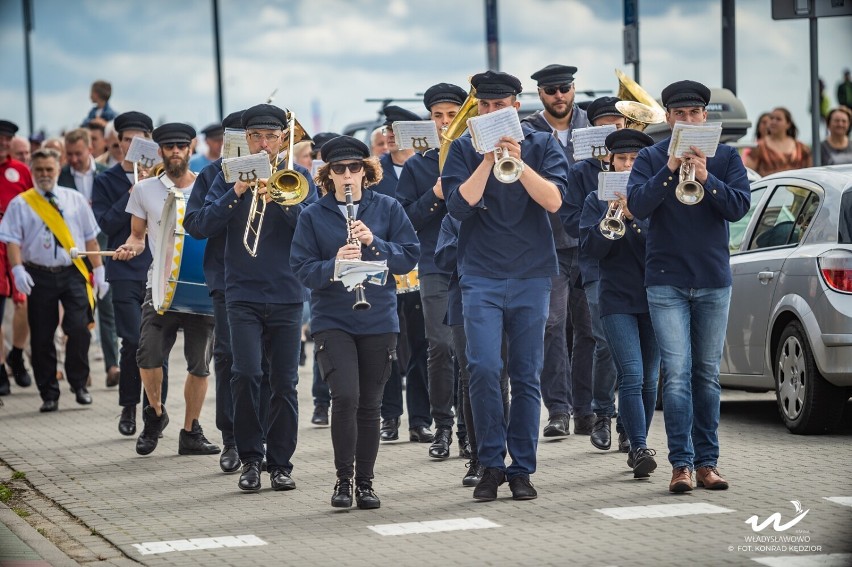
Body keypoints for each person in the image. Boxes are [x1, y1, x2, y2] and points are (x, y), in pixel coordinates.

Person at [443, 70, 569, 501]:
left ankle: (522, 468)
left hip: (532, 274)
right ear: (477, 109)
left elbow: (554, 200)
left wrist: (518, 161)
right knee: (481, 368)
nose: (493, 113)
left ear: (517, 106)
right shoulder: (461, 147)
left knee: (526, 374)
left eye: (501, 107)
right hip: (480, 274)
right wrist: (486, 160)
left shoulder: (543, 143)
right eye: (486, 107)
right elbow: (458, 207)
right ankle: (490, 464)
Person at [627, 80, 750, 493]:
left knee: (706, 376)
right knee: (676, 376)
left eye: (694, 112)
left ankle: (707, 463)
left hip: (713, 279)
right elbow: (638, 205)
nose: (687, 119)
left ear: (704, 116)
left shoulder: (727, 157)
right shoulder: (648, 157)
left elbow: (738, 207)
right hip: (666, 281)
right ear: (668, 118)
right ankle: (680, 465)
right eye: (678, 114)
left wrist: (705, 176)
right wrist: (669, 170)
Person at [291, 135, 419, 509]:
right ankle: (342, 480)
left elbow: (409, 257)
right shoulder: (313, 214)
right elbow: (300, 268)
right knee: (345, 397)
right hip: (334, 319)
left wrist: (374, 242)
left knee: (370, 404)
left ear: (366, 170)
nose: (348, 175)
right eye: (339, 170)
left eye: (354, 167)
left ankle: (365, 482)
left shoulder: (389, 207)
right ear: (328, 175)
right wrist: (335, 263)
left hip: (379, 317)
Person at [194, 103, 316, 493]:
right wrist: (238, 191)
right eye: (256, 137)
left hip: (286, 293)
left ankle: (280, 463)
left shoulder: (298, 178)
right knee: (245, 374)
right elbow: (198, 225)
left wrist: (283, 199)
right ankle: (250, 457)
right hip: (241, 293)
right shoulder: (223, 175)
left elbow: (313, 232)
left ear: (283, 138)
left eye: (271, 136)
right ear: (244, 139)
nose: (264, 144)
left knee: (284, 382)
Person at [111, 122, 219, 458]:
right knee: (147, 355)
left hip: (201, 288)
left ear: (191, 147)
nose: (175, 152)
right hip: (159, 287)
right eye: (169, 147)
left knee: (199, 365)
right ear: (159, 150)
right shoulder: (144, 190)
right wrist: (131, 246)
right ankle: (155, 414)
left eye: (181, 146)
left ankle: (191, 431)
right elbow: (137, 236)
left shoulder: (207, 185)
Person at [184, 109, 267, 474]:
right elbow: (196, 226)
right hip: (228, 281)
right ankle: (232, 438)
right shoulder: (212, 175)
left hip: (274, 284)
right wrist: (235, 191)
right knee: (232, 360)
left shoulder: (283, 172)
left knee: (268, 366)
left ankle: (266, 439)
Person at [0, 148, 108, 411]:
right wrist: (17, 270)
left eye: (49, 169)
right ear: (32, 171)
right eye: (39, 170)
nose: (45, 175)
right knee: (41, 336)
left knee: (80, 328)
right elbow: (12, 241)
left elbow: (90, 238)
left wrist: (100, 271)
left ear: (58, 170)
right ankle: (49, 393)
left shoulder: (74, 199)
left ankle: (79, 383)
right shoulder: (21, 203)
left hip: (72, 272)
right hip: (38, 274)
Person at [579, 128, 660, 479]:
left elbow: (662, 246)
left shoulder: (656, 196)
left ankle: (632, 432)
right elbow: (591, 251)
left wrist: (635, 220)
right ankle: (639, 446)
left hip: (656, 294)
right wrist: (611, 220)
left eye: (635, 159)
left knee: (651, 379)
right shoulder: (595, 200)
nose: (628, 165)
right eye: (622, 159)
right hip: (616, 296)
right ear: (609, 162)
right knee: (632, 372)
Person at [522, 63, 595, 438]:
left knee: (590, 330)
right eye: (551, 90)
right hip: (549, 242)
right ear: (540, 95)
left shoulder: (594, 125)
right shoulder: (528, 130)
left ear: (573, 89)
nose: (559, 96)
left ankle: (588, 410)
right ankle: (559, 410)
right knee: (552, 326)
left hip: (591, 240)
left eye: (564, 88)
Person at [396, 82, 467, 460]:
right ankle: (442, 428)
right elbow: (404, 219)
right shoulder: (417, 166)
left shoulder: (475, 155)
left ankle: (470, 431)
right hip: (434, 262)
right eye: (437, 116)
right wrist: (435, 195)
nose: (443, 122)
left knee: (472, 350)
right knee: (440, 346)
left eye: (452, 115)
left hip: (475, 262)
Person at [92, 111, 168, 437]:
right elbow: (107, 224)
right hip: (124, 269)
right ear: (119, 143)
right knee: (132, 341)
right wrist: (133, 191)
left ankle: (156, 411)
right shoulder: (106, 181)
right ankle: (129, 407)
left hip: (158, 267)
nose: (133, 145)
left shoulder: (163, 179)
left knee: (158, 343)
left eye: (141, 139)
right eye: (127, 140)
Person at [559, 96, 625, 452]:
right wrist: (597, 219)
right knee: (604, 342)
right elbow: (569, 218)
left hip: (637, 266)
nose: (611, 130)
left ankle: (630, 424)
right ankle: (603, 415)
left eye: (617, 124)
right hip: (598, 266)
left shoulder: (641, 164)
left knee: (635, 348)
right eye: (604, 125)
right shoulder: (581, 171)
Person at [373, 106, 432, 445]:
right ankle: (390, 416)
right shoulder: (374, 171)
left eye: (398, 129)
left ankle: (420, 420)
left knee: (423, 345)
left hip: (420, 267)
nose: (391, 135)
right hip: (383, 267)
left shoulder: (425, 167)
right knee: (387, 346)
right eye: (388, 130)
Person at [58, 128, 120, 388]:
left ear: (90, 150)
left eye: (77, 154)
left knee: (106, 307)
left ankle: (112, 365)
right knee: (80, 314)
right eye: (69, 154)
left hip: (102, 245)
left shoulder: (106, 173)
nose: (73, 159)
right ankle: (81, 372)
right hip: (73, 251)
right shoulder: (61, 177)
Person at [0, 120, 34, 396]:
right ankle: (1, 367)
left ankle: (17, 354)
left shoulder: (20, 170)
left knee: (23, 305)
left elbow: (34, 206)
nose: (3, 142)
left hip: (17, 245)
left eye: (7, 138)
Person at [744, 107, 812, 176]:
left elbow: (810, 173)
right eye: (771, 118)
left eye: (778, 119)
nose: (773, 122)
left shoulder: (801, 148)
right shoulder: (758, 147)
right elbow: (749, 174)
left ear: (788, 124)